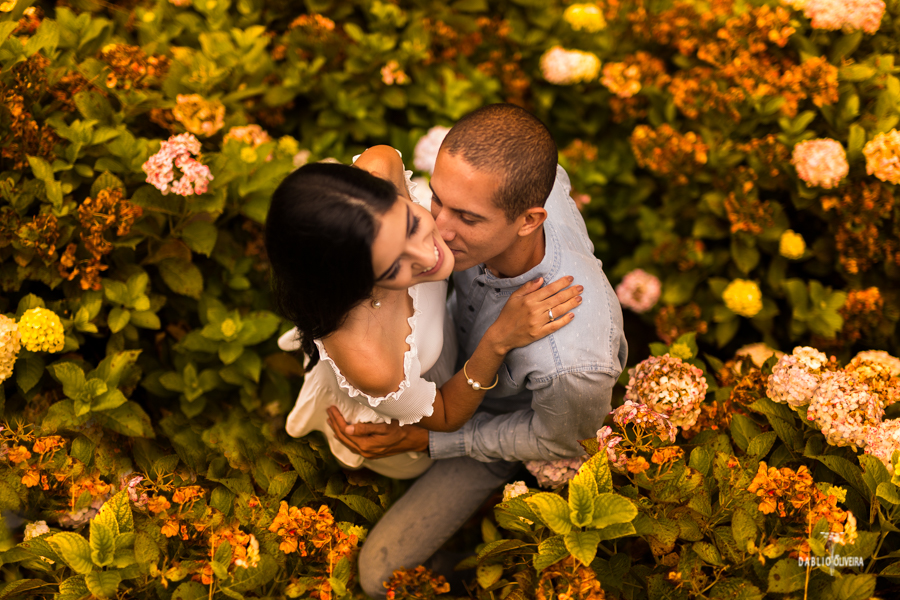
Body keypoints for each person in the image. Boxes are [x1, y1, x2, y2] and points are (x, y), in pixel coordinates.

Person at [326, 104, 628, 598]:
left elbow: (560, 443)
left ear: (531, 219)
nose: (438, 231)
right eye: (438, 200)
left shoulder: (572, 361)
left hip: (497, 423)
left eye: (466, 218)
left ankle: (472, 570)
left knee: (378, 575)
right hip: (450, 360)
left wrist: (425, 442)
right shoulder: (528, 182)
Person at [265, 146, 581, 480]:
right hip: (398, 429)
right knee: (418, 466)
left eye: (411, 224)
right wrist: (498, 340)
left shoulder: (381, 167)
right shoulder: (370, 361)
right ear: (354, 284)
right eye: (393, 266)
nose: (430, 257)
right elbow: (444, 415)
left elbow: (384, 163)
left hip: (447, 348)